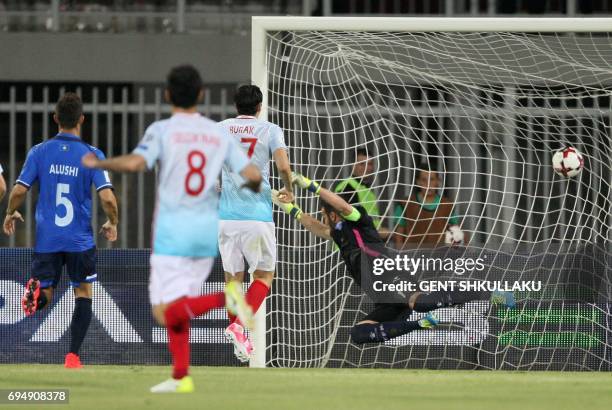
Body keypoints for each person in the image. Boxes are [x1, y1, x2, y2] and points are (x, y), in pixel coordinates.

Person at [82, 65, 262, 393]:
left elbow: (137, 163)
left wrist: (100, 163)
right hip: (204, 231)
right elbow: (251, 174)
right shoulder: (216, 133)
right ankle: (181, 376)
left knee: (165, 311)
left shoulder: (162, 130)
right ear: (201, 94)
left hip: (172, 230)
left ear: (167, 95)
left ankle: (229, 297)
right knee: (180, 308)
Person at [272, 173, 515, 345]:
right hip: (382, 296)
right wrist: (289, 207)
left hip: (393, 275)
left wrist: (310, 185)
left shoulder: (360, 222)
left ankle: (490, 294)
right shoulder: (337, 234)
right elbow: (315, 226)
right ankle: (418, 325)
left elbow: (342, 207)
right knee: (358, 334)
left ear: (332, 214)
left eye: (325, 214)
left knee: (419, 302)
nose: (322, 218)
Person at [3, 92, 119, 369]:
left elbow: (19, 190)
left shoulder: (39, 151)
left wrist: (9, 212)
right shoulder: (92, 154)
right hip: (79, 240)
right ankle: (73, 356)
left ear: (55, 118)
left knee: (48, 291)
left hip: (48, 240)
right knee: (83, 292)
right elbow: (107, 198)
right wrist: (112, 221)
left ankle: (38, 295)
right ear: (81, 119)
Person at [218, 85, 293, 362]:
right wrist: (288, 189)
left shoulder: (220, 128)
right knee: (262, 277)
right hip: (257, 216)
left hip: (226, 217)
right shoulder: (270, 129)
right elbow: (283, 166)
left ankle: (240, 337)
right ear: (259, 106)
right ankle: (238, 327)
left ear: (236, 105)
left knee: (233, 281)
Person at [394, 165, 466, 249]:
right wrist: (400, 255)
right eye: (424, 180)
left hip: (439, 255)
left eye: (431, 179)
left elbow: (456, 230)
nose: (428, 184)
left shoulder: (446, 204)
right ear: (418, 182)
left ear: (438, 182)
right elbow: (399, 234)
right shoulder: (406, 203)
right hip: (413, 255)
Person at [334, 148, 381, 228]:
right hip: (355, 239)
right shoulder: (347, 187)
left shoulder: (366, 190)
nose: (366, 168)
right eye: (362, 164)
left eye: (369, 164)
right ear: (353, 165)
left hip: (370, 239)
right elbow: (351, 223)